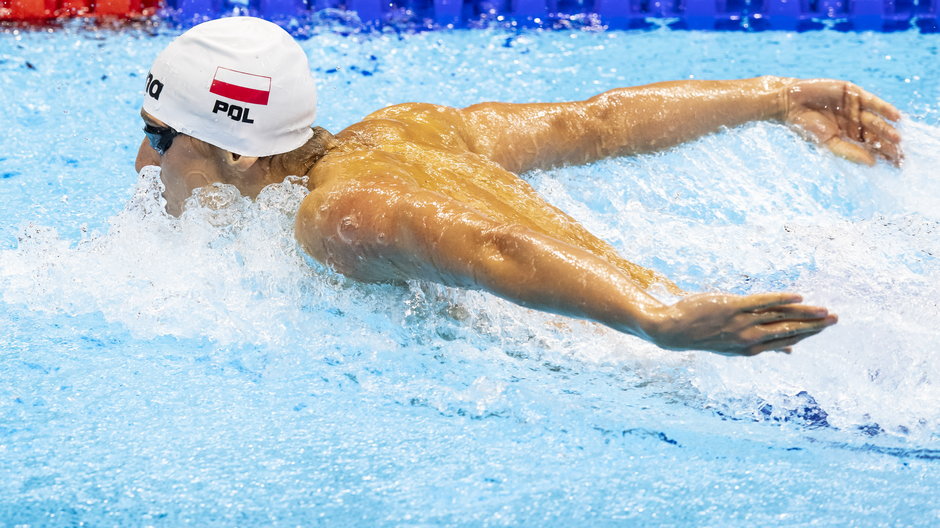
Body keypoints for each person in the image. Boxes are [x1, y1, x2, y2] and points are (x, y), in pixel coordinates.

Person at [136, 17, 902, 356]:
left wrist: (657, 318)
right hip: (706, 309)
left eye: (162, 137)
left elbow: (489, 245)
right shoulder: (408, 126)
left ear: (239, 155)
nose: (145, 162)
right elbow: (593, 123)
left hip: (664, 351)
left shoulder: (335, 215)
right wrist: (774, 96)